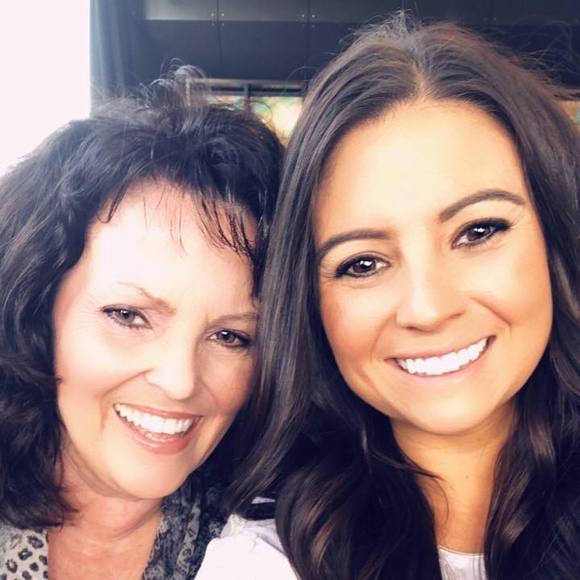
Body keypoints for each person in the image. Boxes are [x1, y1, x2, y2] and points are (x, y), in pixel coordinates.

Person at [197, 14, 580, 580]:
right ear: (309, 304)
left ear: (556, 236)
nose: (428, 308)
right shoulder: (266, 562)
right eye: (363, 263)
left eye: (478, 231)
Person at [0, 66, 282, 578]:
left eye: (231, 336)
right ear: (36, 311)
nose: (179, 381)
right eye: (128, 316)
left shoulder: (282, 549)